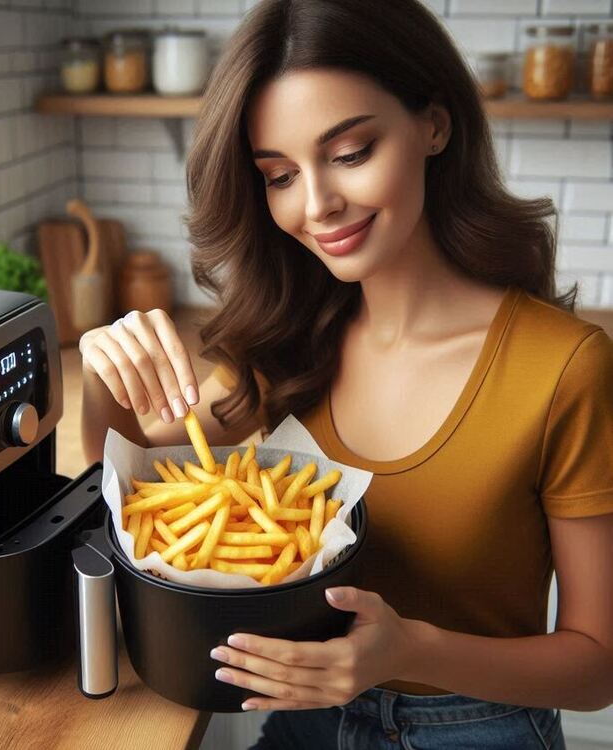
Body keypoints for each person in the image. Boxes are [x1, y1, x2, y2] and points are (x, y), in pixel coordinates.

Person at [79, 0, 613, 746]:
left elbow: (596, 668)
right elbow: (135, 499)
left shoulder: (565, 367)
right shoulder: (295, 337)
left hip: (477, 729)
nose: (317, 205)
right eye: (279, 175)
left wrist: (409, 651)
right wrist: (105, 375)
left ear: (434, 124)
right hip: (304, 723)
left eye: (351, 152)